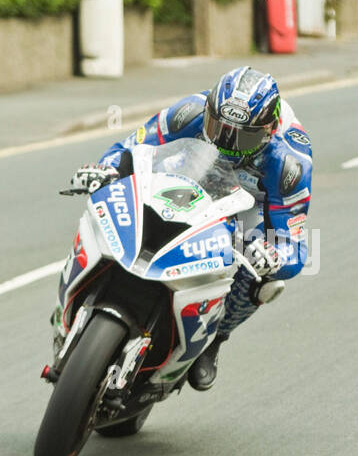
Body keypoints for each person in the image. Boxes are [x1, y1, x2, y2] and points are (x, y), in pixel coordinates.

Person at [66, 67, 313, 391]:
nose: (227, 142)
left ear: (267, 131)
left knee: (260, 280)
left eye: (243, 137)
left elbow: (294, 243)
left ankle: (214, 338)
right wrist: (106, 170)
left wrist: (273, 255)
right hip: (191, 173)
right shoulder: (189, 112)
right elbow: (129, 147)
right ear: (209, 110)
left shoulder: (290, 160)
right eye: (218, 128)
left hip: (247, 205)